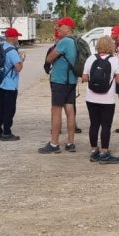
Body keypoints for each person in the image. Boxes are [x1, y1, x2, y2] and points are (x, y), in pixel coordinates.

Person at [82, 36, 119, 164]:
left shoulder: (91, 59)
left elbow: (84, 78)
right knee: (106, 125)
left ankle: (94, 151)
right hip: (107, 99)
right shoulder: (114, 60)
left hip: (91, 98)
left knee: (94, 124)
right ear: (111, 47)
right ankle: (104, 153)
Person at [40, 17, 78, 154]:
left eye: (60, 26)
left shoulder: (65, 41)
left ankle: (54, 143)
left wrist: (54, 50)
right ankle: (70, 142)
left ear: (67, 28)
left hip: (60, 81)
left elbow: (49, 58)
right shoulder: (75, 41)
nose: (58, 28)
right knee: (70, 111)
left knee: (56, 111)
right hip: (71, 81)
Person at [0, 27, 25, 141]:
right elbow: (18, 68)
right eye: (16, 36)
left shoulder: (2, 47)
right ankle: (7, 132)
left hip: (1, 83)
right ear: (12, 37)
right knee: (9, 109)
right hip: (10, 85)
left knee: (0, 108)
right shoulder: (12, 51)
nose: (17, 38)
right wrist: (22, 60)